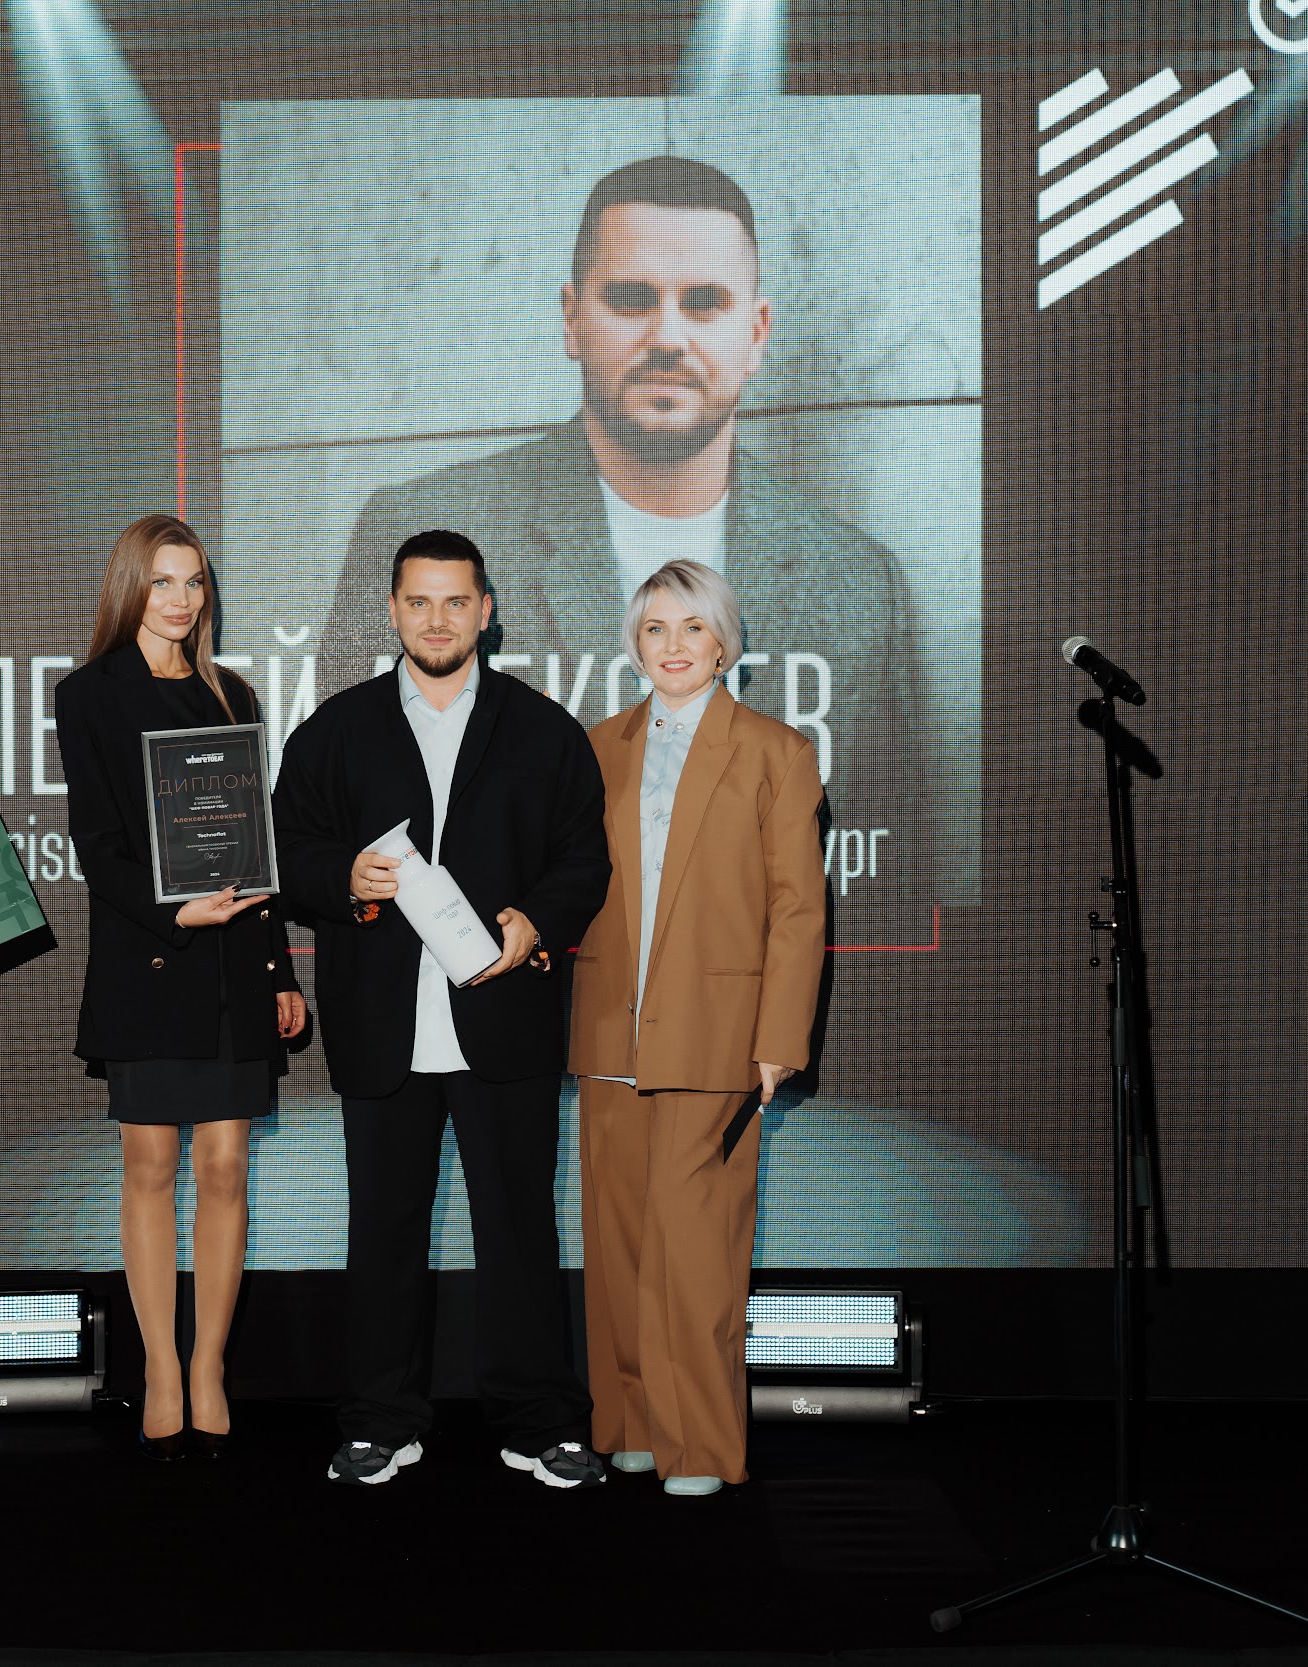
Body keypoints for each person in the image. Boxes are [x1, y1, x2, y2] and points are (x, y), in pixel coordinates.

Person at [315, 154, 940, 898]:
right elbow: (342, 809)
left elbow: (892, 870)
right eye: (632, 298)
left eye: (705, 301)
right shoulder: (414, 532)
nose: (668, 336)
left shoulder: (859, 581)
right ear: (573, 319)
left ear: (757, 331)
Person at [273, 529, 611, 1488]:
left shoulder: (546, 731)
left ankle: (541, 1421)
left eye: (455, 601)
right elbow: (288, 849)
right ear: (391, 610)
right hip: (382, 1027)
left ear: (486, 610)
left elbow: (583, 859)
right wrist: (343, 877)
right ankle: (379, 1420)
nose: (436, 619)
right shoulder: (334, 731)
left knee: (520, 1230)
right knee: (383, 1234)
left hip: (506, 1023)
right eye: (418, 601)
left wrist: (537, 921)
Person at [570, 559, 825, 1495]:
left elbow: (798, 908)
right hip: (610, 1027)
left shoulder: (775, 752)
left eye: (691, 627)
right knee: (619, 1246)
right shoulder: (596, 747)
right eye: (654, 629)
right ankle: (633, 1423)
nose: (672, 646)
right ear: (633, 644)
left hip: (718, 1036)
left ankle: (702, 1446)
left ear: (724, 642)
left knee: (697, 1249)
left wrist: (778, 1039)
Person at [55, 515, 305, 1460]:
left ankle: (208, 1366)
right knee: (151, 1165)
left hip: (237, 957)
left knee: (226, 1166)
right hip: (147, 959)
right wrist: (174, 912)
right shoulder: (88, 694)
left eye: (194, 582)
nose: (181, 599)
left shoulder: (231, 691)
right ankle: (161, 1364)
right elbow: (96, 845)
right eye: (163, 581)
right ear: (131, 587)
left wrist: (278, 967)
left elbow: (254, 843)